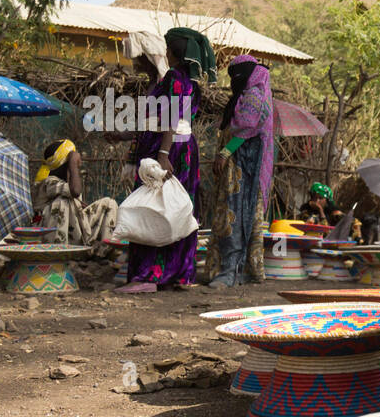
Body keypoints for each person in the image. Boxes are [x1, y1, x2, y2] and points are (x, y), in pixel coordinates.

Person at [116, 26, 213, 293]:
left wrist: (163, 154)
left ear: (172, 52)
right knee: (177, 208)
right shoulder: (186, 82)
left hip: (170, 150)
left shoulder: (173, 78)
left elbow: (170, 118)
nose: (165, 53)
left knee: (156, 208)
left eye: (168, 49)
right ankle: (179, 274)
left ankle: (149, 275)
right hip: (182, 149)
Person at [207, 54, 274, 287]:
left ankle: (231, 270)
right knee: (234, 214)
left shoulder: (254, 95)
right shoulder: (248, 94)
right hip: (238, 167)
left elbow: (247, 126)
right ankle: (236, 269)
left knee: (236, 214)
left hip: (245, 168)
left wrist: (226, 152)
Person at [32, 139, 119, 251]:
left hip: (76, 232)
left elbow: (75, 196)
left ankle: (104, 252)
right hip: (49, 235)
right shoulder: (48, 182)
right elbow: (75, 191)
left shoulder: (68, 182)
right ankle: (59, 251)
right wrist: (73, 164)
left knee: (109, 203)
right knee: (62, 202)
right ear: (65, 163)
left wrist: (78, 206)